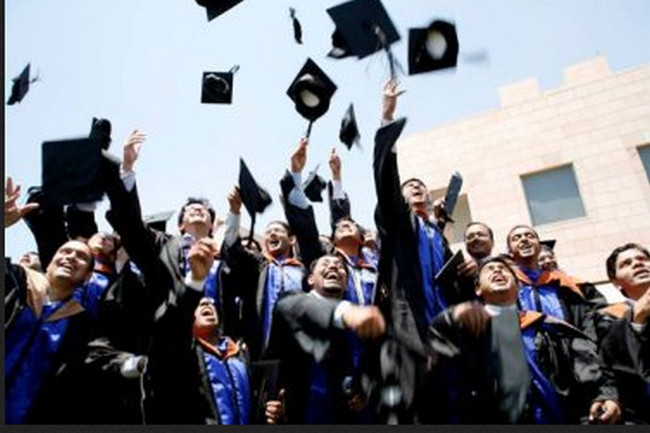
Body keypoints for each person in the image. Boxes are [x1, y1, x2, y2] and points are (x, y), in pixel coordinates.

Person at [428, 257, 621, 424]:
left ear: (518, 286)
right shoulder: (461, 334)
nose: (497, 271)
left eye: (504, 269)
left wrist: (604, 395)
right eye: (490, 269)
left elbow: (585, 362)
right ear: (477, 289)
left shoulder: (547, 326)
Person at [5, 185, 96, 423]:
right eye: (65, 252)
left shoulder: (81, 325)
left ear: (88, 277)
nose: (71, 257)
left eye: (81, 257)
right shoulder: (14, 282)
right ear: (51, 261)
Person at [265, 254, 386, 423]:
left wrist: (365, 391)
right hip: (300, 414)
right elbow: (292, 306)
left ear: (346, 284)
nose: (333, 266)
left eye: (340, 266)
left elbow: (370, 365)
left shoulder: (362, 319)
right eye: (325, 263)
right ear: (310, 279)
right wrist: (343, 313)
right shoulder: (293, 302)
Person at [222, 187, 305, 360]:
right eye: (268, 232)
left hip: (299, 352)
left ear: (292, 239)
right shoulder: (257, 266)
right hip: (261, 350)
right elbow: (232, 249)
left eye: (278, 230)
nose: (272, 233)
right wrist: (235, 211)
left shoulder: (303, 270)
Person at [506, 224, 604, 336]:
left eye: (530, 236)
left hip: (566, 342)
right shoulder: (507, 286)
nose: (524, 239)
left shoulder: (563, 283)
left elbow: (585, 318)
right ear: (510, 252)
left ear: (539, 247)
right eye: (516, 238)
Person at [596, 243, 650, 423]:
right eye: (626, 263)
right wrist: (637, 320)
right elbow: (614, 371)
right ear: (616, 282)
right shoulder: (609, 321)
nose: (637, 263)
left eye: (642, 259)